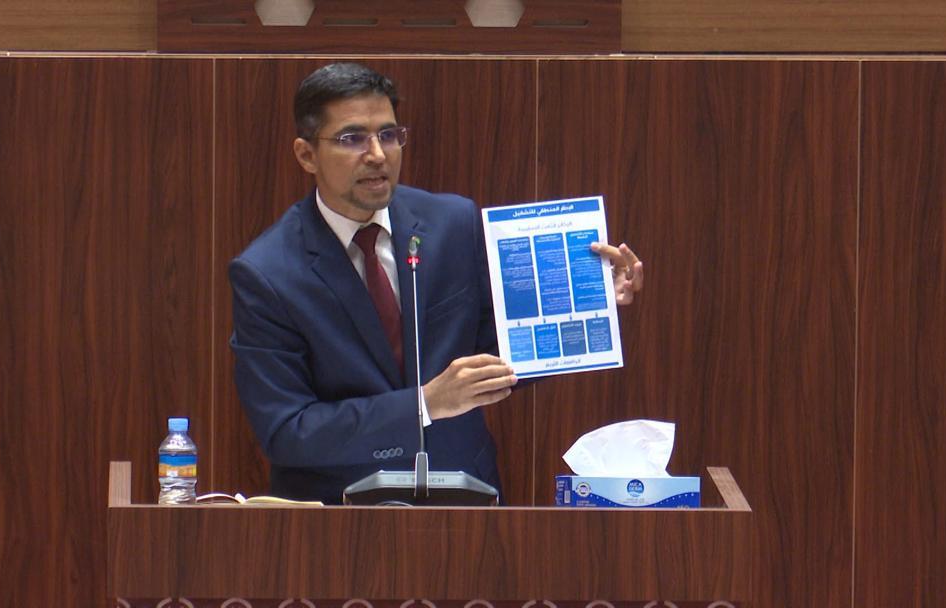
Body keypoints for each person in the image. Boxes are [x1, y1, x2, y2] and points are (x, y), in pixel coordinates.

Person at [229, 62, 643, 504]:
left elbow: (502, 353)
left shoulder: (452, 223)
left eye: (389, 135)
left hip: (464, 499)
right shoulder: (268, 273)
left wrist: (589, 298)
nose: (377, 154)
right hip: (338, 513)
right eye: (352, 138)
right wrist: (424, 405)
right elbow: (288, 431)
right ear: (306, 155)